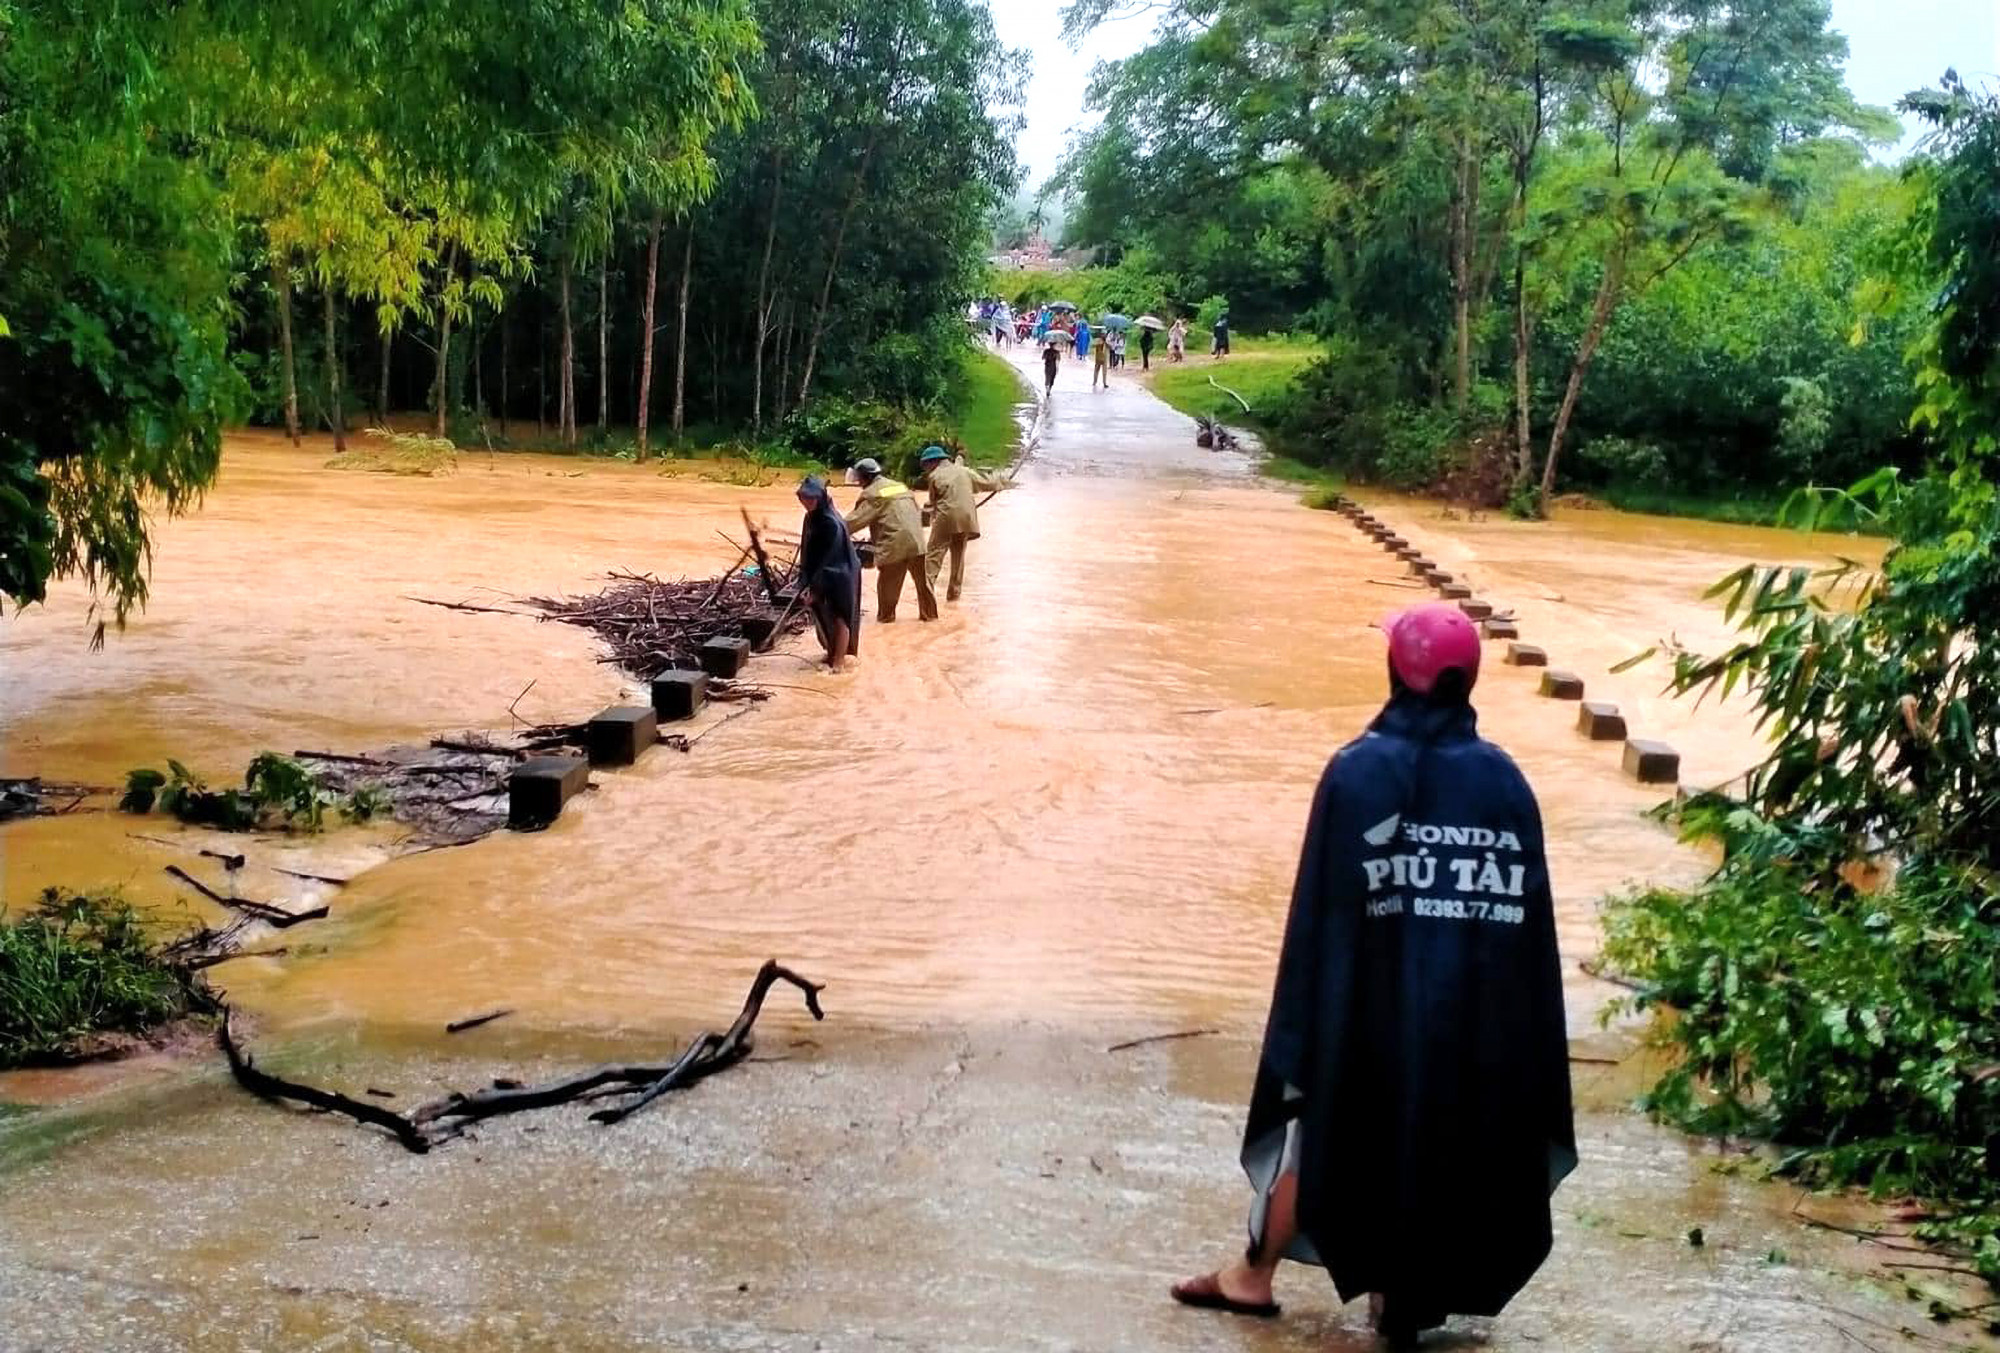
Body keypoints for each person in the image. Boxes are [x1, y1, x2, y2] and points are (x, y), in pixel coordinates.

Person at [1171, 603, 1574, 1350]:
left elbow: (1323, 915)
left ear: (1395, 670)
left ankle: (1254, 1274)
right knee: (1446, 1128)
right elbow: (1526, 928)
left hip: (1371, 1014)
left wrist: (1312, 1020)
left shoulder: (1355, 771)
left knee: (1322, 1114)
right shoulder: (1507, 783)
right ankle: (1399, 1290)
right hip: (1475, 1023)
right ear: (1468, 679)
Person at [844, 457, 937, 624]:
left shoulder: (871, 493)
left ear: (866, 477)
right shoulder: (900, 487)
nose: (858, 483)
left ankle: (886, 623)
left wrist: (831, 529)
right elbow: (915, 514)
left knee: (888, 592)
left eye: (860, 479)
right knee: (924, 587)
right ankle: (931, 619)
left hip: (894, 546)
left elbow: (853, 523)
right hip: (917, 543)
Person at [921, 444, 1010, 603]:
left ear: (932, 462)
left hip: (946, 518)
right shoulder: (965, 472)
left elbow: (933, 503)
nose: (925, 469)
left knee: (933, 556)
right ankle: (954, 596)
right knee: (958, 556)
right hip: (966, 519)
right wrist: (1002, 482)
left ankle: (927, 594)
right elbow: (987, 483)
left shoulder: (934, 476)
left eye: (926, 465)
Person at [795, 474, 862, 671]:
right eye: (803, 498)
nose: (806, 502)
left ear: (821, 498)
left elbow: (829, 559)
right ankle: (832, 653)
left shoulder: (831, 523)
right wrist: (804, 581)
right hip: (825, 571)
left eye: (811, 498)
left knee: (839, 616)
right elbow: (807, 552)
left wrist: (816, 588)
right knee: (823, 613)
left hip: (842, 573)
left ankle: (839, 663)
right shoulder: (811, 518)